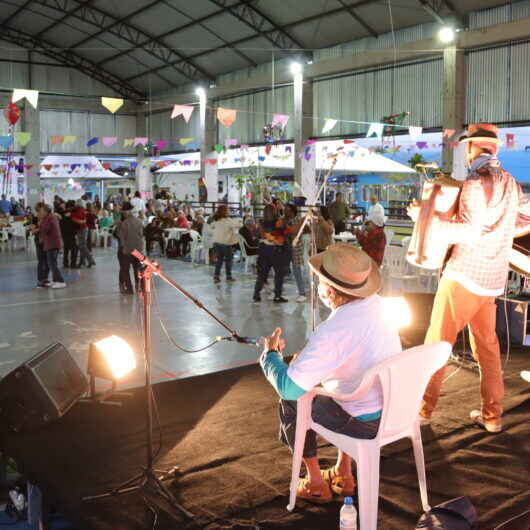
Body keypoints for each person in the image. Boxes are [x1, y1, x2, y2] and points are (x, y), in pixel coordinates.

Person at [408, 123, 530, 433]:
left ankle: (423, 410)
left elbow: (468, 230)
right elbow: (524, 218)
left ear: (472, 148)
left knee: (437, 344)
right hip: (491, 280)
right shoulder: (512, 183)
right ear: (496, 149)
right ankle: (492, 416)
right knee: (487, 348)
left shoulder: (476, 183)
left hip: (463, 276)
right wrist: (500, 235)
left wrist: (423, 219)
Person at [259, 244, 401, 502]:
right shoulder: (379, 305)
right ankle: (344, 473)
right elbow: (353, 359)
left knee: (292, 401)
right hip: (394, 411)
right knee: (341, 389)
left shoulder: (335, 329)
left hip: (363, 424)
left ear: (330, 290)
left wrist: (271, 356)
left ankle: (315, 482)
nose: (317, 286)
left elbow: (289, 387)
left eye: (321, 281)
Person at [253, 204, 292, 303]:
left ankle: (256, 294)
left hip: (264, 250)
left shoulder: (261, 223)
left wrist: (268, 237)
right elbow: (284, 235)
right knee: (279, 274)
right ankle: (277, 296)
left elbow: (258, 236)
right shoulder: (278, 222)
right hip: (276, 251)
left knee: (262, 274)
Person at [118, 202, 145, 294]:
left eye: (123, 211)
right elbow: (141, 235)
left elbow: (122, 239)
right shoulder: (139, 221)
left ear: (126, 212)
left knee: (125, 270)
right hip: (138, 250)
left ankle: (129, 289)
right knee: (138, 269)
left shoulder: (124, 223)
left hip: (128, 250)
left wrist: (123, 249)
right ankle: (139, 287)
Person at [210, 205, 242, 283]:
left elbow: (211, 226)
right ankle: (228, 276)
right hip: (225, 243)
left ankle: (216, 276)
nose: (229, 211)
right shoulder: (228, 220)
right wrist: (240, 221)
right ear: (225, 211)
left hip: (216, 242)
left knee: (219, 260)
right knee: (228, 260)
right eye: (227, 210)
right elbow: (239, 225)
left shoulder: (216, 220)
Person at [38, 204, 66, 289]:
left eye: (41, 211)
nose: (40, 213)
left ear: (46, 211)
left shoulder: (49, 218)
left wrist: (40, 222)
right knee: (51, 263)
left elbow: (45, 229)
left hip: (53, 244)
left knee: (52, 264)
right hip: (51, 243)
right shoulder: (49, 217)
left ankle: (61, 281)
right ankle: (55, 280)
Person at [284, 204, 307, 303]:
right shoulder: (287, 220)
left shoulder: (297, 219)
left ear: (293, 211)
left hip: (296, 248)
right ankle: (277, 292)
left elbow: (294, 231)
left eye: (287, 210)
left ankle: (302, 293)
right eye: (285, 210)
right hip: (287, 247)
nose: (285, 212)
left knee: (297, 271)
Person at [71, 199, 95, 268]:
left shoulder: (79, 210)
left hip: (82, 229)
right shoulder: (81, 210)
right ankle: (82, 262)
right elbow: (82, 220)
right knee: (82, 246)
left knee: (82, 246)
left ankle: (90, 260)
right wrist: (80, 221)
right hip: (82, 229)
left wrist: (78, 220)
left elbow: (80, 220)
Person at [59, 200, 78, 268]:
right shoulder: (71, 213)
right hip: (70, 233)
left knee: (66, 248)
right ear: (70, 207)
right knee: (74, 249)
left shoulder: (62, 213)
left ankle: (65, 263)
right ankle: (73, 264)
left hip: (64, 233)